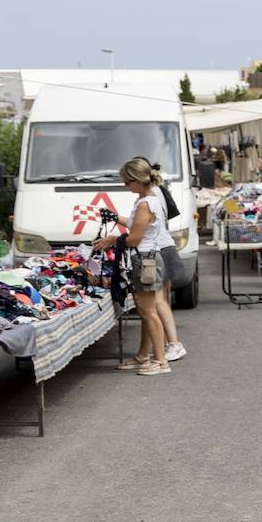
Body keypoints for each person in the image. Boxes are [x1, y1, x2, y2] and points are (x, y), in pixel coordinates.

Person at [94, 158, 171, 376]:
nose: (125, 187)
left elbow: (135, 238)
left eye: (126, 183)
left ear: (136, 181)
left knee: (147, 310)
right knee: (147, 309)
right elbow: (137, 226)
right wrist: (116, 218)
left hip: (145, 259)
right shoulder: (149, 199)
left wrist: (112, 240)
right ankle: (145, 355)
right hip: (148, 257)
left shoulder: (146, 203)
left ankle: (161, 361)